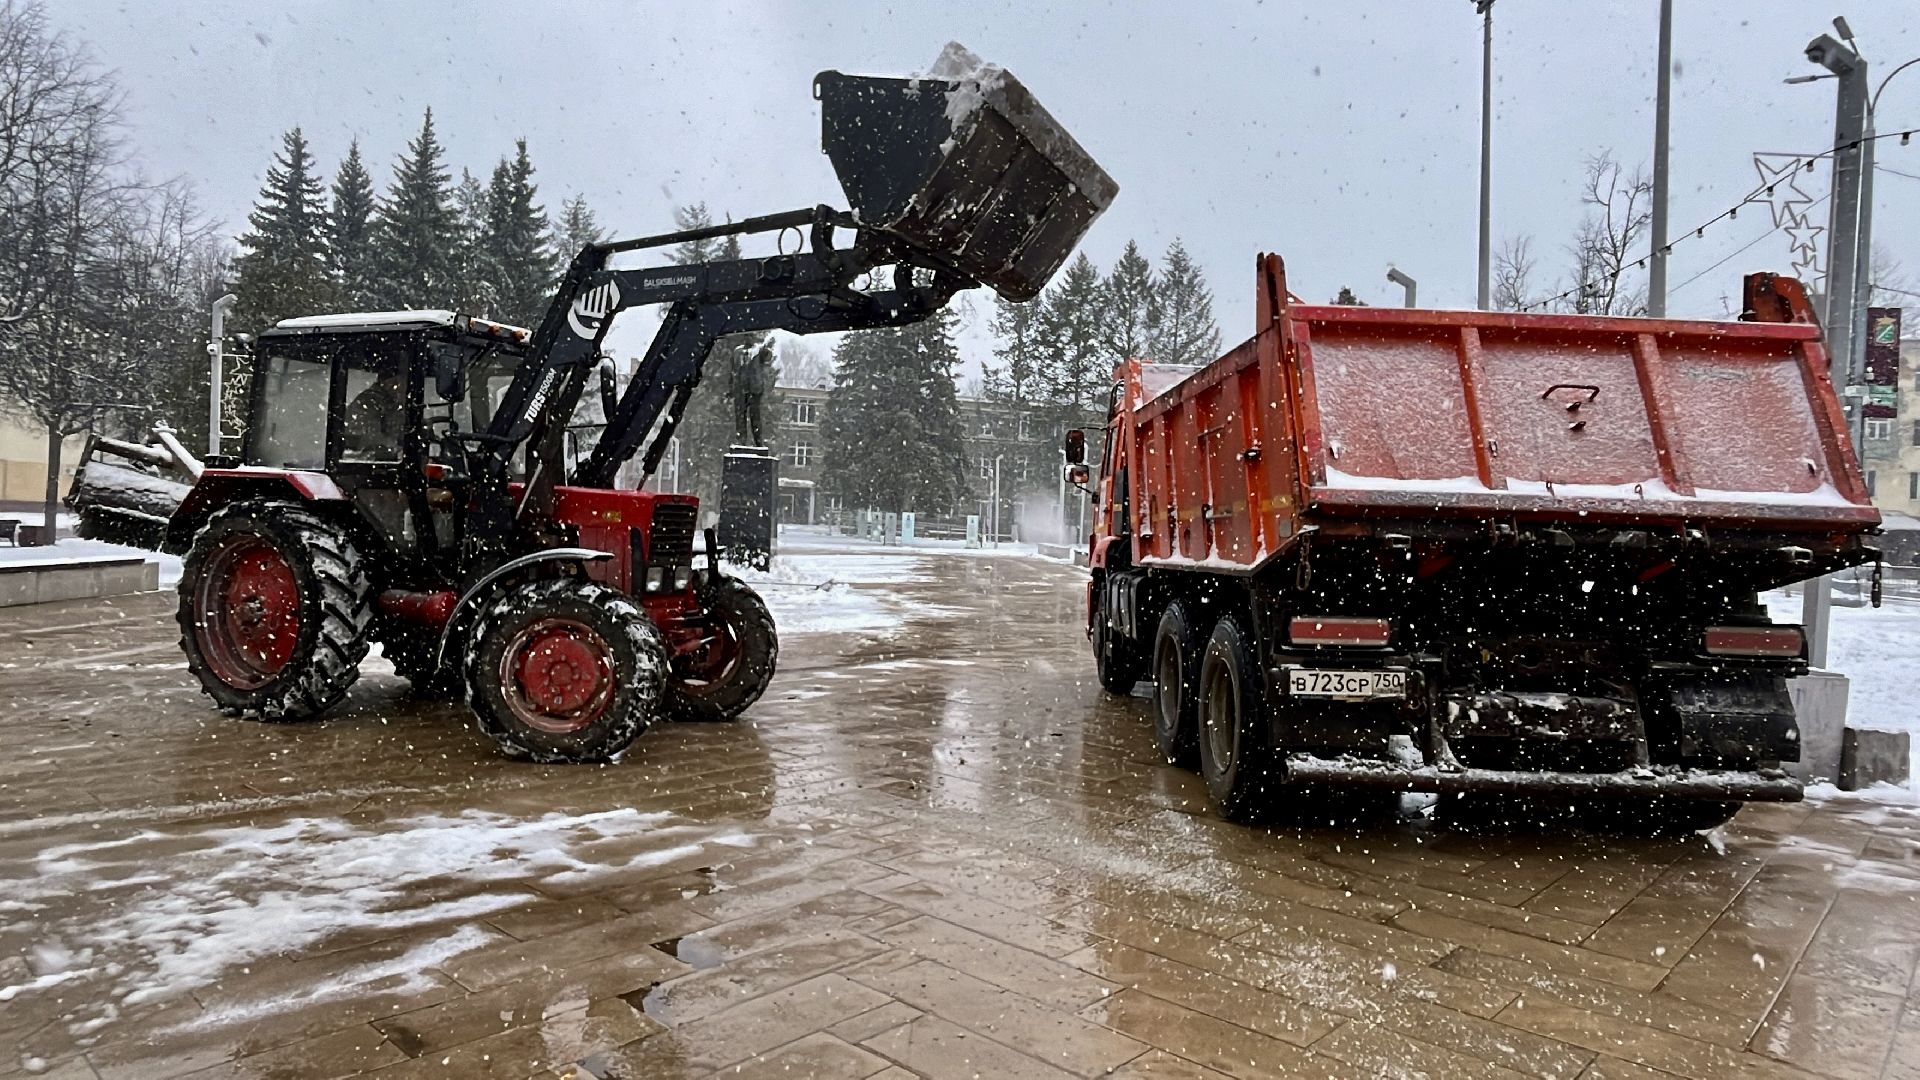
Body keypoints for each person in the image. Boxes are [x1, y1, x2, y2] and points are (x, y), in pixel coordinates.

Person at [340, 365, 408, 459]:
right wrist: (398, 447)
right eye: (402, 383)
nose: (403, 389)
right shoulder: (369, 402)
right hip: (366, 462)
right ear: (391, 383)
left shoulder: (391, 403)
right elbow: (372, 439)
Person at [730, 333, 775, 447]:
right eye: (746, 336)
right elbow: (733, 370)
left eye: (750, 336)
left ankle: (758, 441)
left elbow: (767, 357)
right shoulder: (737, 351)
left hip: (755, 388)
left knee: (755, 416)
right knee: (740, 416)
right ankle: (741, 440)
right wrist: (731, 387)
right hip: (740, 388)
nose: (748, 338)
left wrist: (766, 349)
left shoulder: (759, 349)